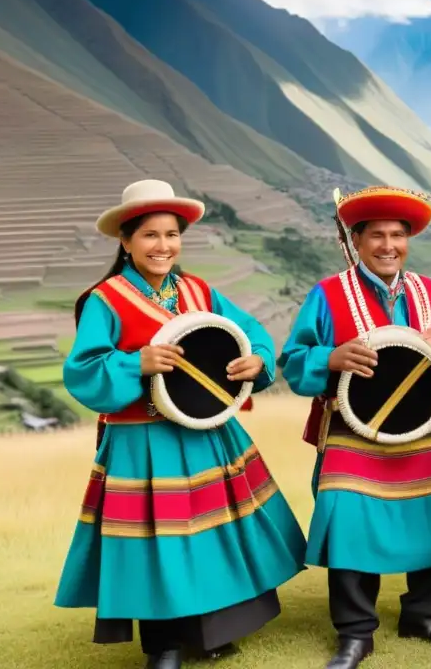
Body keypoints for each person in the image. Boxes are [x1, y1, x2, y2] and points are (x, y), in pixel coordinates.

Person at [54, 179, 307, 669]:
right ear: (125, 242)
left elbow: (250, 331)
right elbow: (83, 371)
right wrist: (136, 364)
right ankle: (165, 644)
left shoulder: (197, 290)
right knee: (159, 541)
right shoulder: (104, 300)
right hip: (143, 440)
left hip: (209, 432)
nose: (163, 246)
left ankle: (215, 629)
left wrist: (256, 357)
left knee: (214, 530)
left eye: (172, 234)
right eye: (150, 235)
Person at [278, 185, 431, 669]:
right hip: (355, 434)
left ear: (408, 240)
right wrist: (329, 356)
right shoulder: (327, 295)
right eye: (377, 235)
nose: (388, 245)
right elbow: (293, 362)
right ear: (356, 240)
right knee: (350, 523)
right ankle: (355, 633)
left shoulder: (429, 291)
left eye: (398, 234)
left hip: (427, 429)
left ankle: (423, 614)